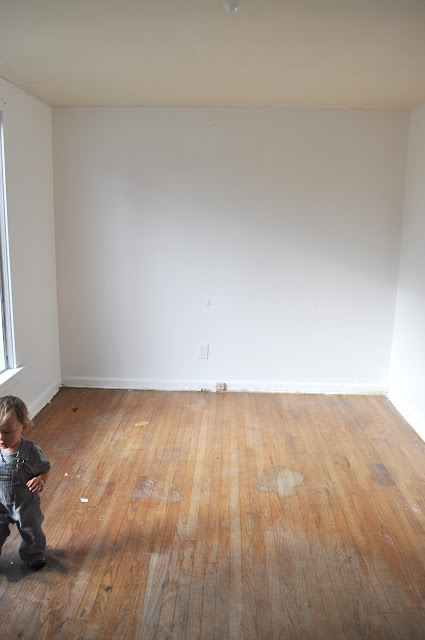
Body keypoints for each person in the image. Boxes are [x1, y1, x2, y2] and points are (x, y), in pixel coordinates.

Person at [0, 395, 50, 571]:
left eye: (7, 432)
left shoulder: (31, 452)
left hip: (25, 503)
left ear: (23, 428)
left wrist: (41, 479)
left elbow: (44, 468)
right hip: (0, 502)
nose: (1, 437)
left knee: (31, 530)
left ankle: (34, 555)